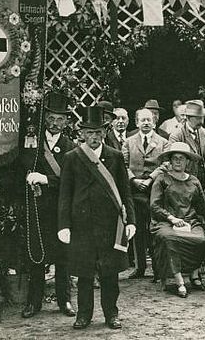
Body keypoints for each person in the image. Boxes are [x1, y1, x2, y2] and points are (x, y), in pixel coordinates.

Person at [57, 106, 136, 330]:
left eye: (98, 132)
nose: (93, 137)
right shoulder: (72, 157)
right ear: (82, 134)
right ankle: (83, 315)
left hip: (109, 224)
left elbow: (125, 191)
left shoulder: (116, 156)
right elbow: (65, 194)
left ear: (104, 133)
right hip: (82, 224)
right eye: (89, 133)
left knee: (110, 273)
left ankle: (111, 314)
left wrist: (130, 221)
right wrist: (64, 225)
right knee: (84, 273)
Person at [18, 92, 75, 318]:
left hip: (61, 209)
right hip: (37, 207)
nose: (55, 123)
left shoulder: (70, 146)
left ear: (67, 121)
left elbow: (71, 181)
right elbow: (20, 169)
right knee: (36, 255)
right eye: (51, 117)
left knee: (64, 256)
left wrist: (46, 179)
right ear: (45, 117)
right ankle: (34, 302)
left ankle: (65, 301)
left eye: (60, 118)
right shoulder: (31, 143)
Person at [149, 142, 205, 298]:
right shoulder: (162, 179)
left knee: (200, 240)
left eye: (182, 158)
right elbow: (154, 205)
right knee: (170, 239)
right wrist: (172, 218)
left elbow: (201, 206)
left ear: (187, 161)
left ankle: (194, 274)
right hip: (165, 222)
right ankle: (179, 280)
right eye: (175, 158)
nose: (178, 161)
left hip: (190, 221)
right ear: (170, 160)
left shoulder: (194, 181)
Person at [122, 108, 169, 279]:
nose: (146, 123)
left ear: (155, 122)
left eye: (149, 120)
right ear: (136, 123)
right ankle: (140, 267)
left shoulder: (163, 142)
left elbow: (165, 164)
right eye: (143, 120)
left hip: (155, 190)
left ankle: (157, 268)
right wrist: (134, 180)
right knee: (138, 228)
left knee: (155, 228)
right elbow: (123, 165)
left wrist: (150, 179)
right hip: (134, 191)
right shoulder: (128, 142)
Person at [169, 100, 205, 186]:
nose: (201, 121)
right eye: (198, 118)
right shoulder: (177, 135)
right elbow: (172, 163)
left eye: (202, 117)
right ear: (188, 118)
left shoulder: (203, 132)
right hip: (186, 182)